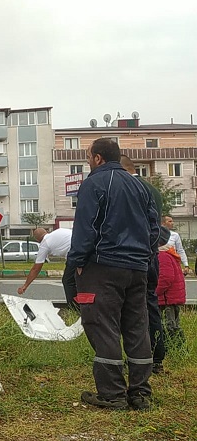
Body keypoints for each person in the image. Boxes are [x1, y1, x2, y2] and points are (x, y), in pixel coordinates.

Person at [70, 138, 159, 411]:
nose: (88, 161)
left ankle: (112, 395)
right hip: (137, 267)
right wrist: (145, 256)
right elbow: (154, 228)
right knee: (136, 328)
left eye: (88, 156)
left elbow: (85, 228)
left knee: (103, 326)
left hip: (103, 266)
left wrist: (77, 261)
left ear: (97, 158)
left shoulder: (94, 183)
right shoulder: (141, 187)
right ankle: (140, 394)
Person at [120, 155, 166, 374]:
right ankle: (157, 356)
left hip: (131, 255)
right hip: (152, 254)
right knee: (150, 303)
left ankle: (137, 357)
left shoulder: (128, 189)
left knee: (130, 308)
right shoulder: (153, 190)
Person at [17, 227, 77, 309]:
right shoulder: (58, 231)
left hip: (75, 255)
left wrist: (25, 285)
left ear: (37, 240)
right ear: (46, 232)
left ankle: (74, 308)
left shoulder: (45, 244)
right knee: (79, 279)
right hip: (85, 248)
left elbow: (36, 268)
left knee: (67, 281)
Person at [155, 227, 187, 350]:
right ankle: (178, 349)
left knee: (169, 326)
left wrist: (156, 292)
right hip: (172, 297)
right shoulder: (169, 254)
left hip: (167, 298)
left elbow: (165, 278)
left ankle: (176, 348)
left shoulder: (162, 256)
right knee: (173, 324)